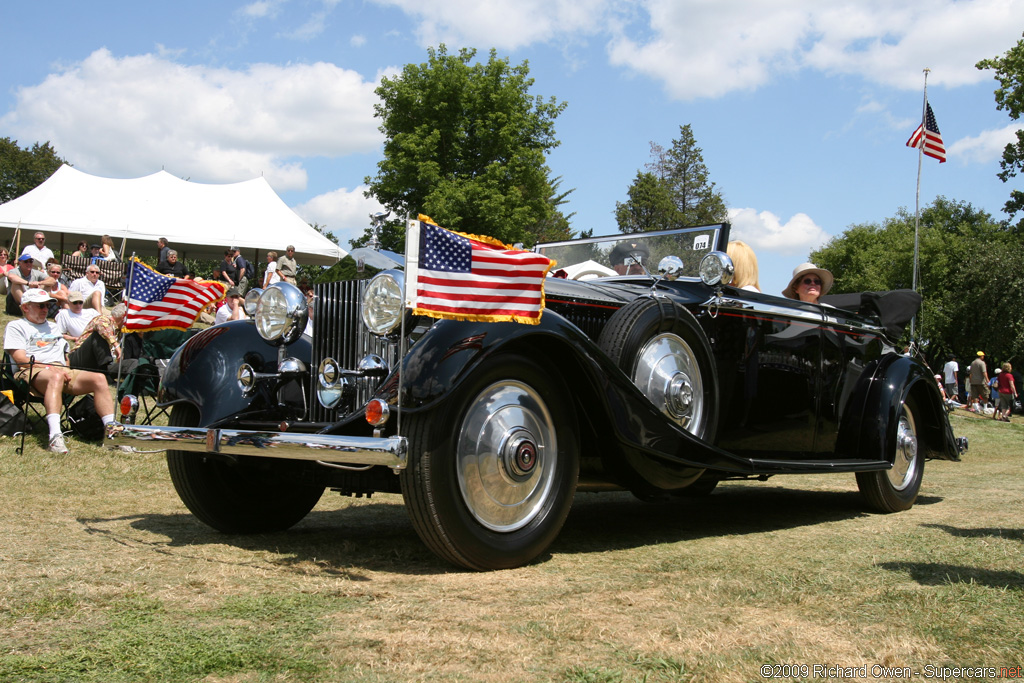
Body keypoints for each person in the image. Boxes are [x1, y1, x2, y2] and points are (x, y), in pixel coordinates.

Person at [3, 288, 116, 453]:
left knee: (99, 378)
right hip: (32, 371)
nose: (45, 309)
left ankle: (113, 433)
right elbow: (21, 361)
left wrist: (64, 369)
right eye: (40, 305)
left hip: (60, 369)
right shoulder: (16, 326)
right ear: (25, 307)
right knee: (55, 376)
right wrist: (52, 369)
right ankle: (55, 437)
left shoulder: (53, 327)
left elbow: (65, 356)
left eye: (47, 306)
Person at [68, 303, 137, 377]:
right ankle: (106, 374)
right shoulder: (103, 319)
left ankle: (109, 374)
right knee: (98, 336)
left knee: (133, 362)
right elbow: (100, 326)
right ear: (123, 317)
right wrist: (116, 345)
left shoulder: (120, 332)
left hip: (99, 364)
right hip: (79, 359)